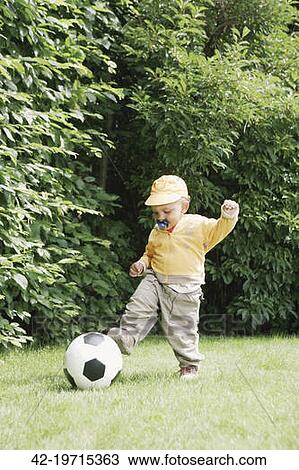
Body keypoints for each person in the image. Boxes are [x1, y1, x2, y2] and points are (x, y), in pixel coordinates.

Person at [108, 175, 239, 380]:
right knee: (138, 305)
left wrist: (228, 216)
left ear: (184, 206)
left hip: (186, 288)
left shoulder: (198, 225)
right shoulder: (156, 232)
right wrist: (142, 265)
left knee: (182, 329)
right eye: (156, 212)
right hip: (156, 279)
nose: (160, 216)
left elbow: (219, 230)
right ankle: (125, 338)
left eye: (167, 211)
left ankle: (189, 365)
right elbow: (149, 254)